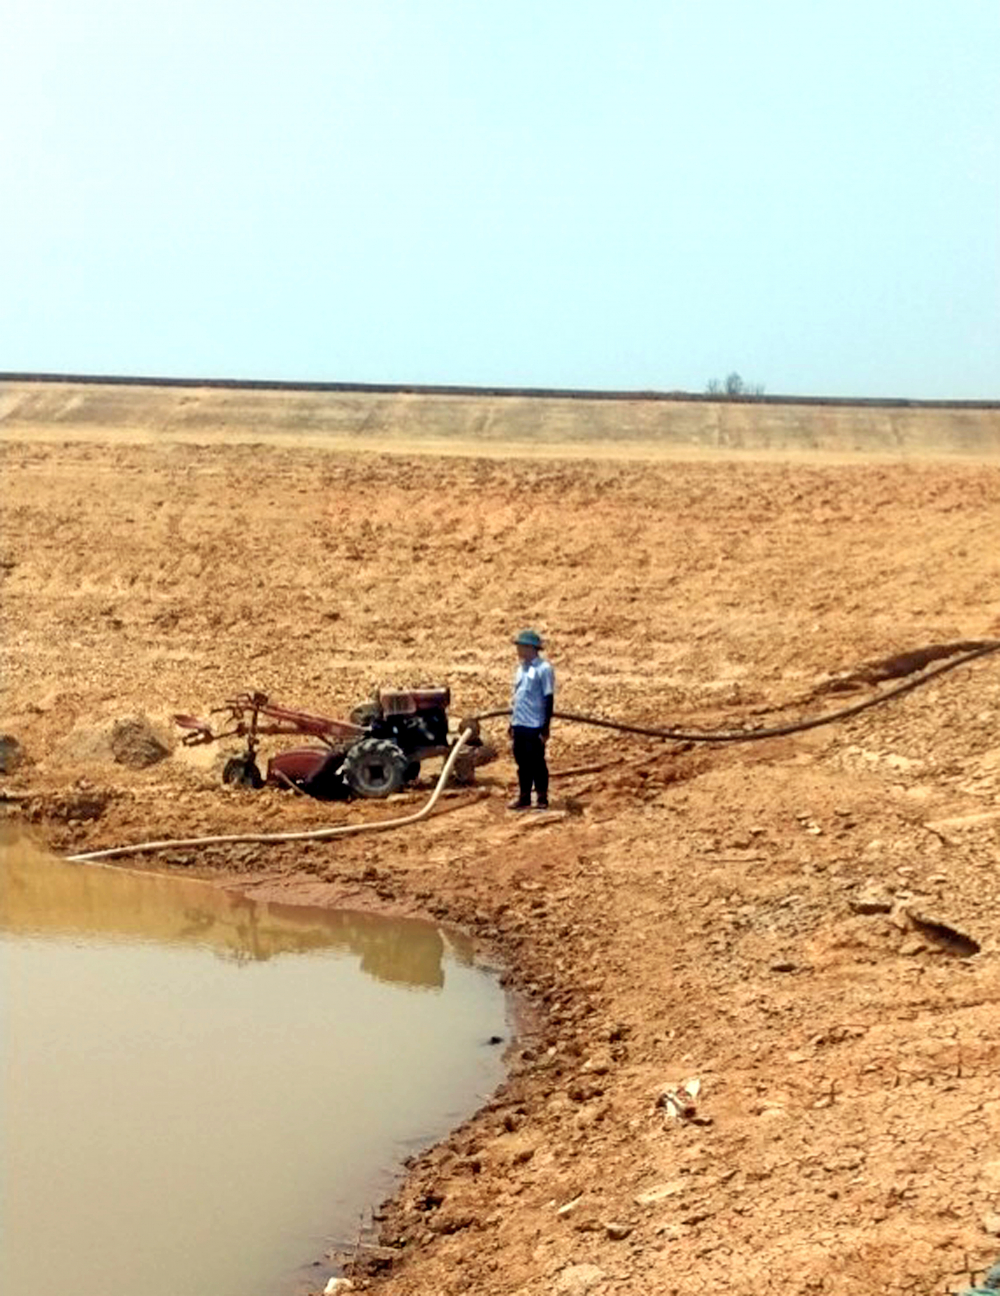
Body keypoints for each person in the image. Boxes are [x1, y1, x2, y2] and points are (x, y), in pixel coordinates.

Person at [509, 629, 555, 811]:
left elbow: (549, 698)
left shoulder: (544, 669)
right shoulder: (521, 669)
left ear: (531, 648)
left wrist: (545, 728)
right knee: (522, 763)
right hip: (519, 723)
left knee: (537, 762)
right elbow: (518, 697)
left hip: (534, 724)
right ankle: (524, 796)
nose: (518, 650)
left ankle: (542, 797)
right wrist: (511, 723)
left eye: (521, 646)